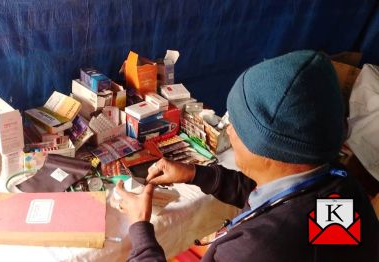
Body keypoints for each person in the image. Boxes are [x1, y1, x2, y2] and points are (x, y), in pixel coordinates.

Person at [113, 50, 379, 261]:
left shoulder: (256, 251)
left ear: (269, 151)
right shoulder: (341, 187)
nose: (228, 129)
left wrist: (140, 229)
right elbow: (274, 199)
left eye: (236, 126)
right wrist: (195, 173)